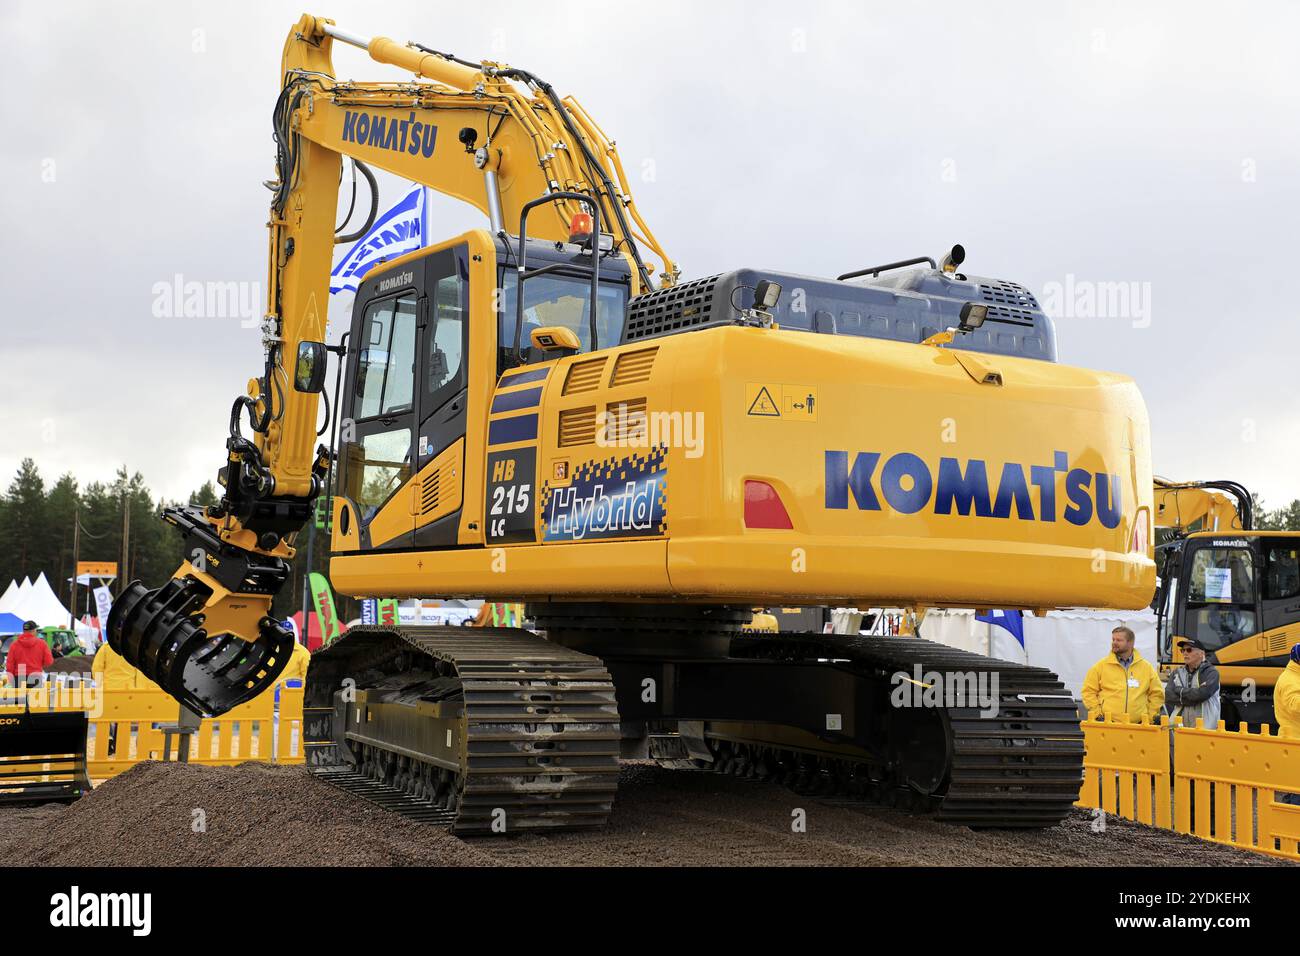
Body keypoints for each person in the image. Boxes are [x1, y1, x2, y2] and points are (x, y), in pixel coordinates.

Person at [1081, 625, 1165, 722]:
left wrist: (1149, 717)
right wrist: (1098, 714)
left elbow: (1157, 694)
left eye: (1119, 640)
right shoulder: (1100, 666)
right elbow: (1088, 692)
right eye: (1113, 639)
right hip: (1107, 725)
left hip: (1138, 726)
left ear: (1130, 643)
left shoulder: (1147, 668)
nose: (1114, 643)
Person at [1164, 637, 1222, 729]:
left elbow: (1202, 694)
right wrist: (1194, 697)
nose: (1185, 653)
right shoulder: (1177, 672)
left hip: (1205, 728)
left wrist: (1179, 691)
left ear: (1201, 653)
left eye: (1189, 650)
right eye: (1182, 650)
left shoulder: (1211, 672)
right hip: (1179, 728)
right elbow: (1168, 695)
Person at [1276, 644, 1300, 805]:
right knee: (1296, 792)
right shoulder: (1290, 680)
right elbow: (1294, 705)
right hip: (1294, 742)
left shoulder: (1295, 676)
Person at [4, 620, 53, 686]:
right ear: (33, 631)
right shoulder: (42, 644)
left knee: (20, 696)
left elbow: (10, 664)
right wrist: (37, 665)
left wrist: (11, 678)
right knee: (33, 696)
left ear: (24, 631)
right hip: (36, 676)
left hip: (19, 677)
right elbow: (49, 661)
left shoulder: (14, 645)